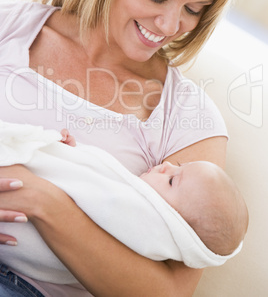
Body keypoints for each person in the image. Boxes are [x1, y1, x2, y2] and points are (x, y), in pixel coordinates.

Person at [0, 0, 241, 296]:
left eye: (194, 9)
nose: (169, 24)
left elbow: (169, 293)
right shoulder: (8, 30)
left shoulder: (188, 119)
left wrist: (44, 201)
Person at [0, 122, 248, 285]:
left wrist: (41, 191)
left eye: (173, 181)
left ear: (177, 225)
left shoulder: (145, 223)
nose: (167, 165)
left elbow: (93, 197)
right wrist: (71, 153)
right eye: (178, 166)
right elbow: (91, 178)